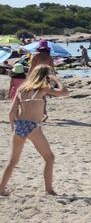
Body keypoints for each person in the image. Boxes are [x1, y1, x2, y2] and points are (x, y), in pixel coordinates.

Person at [1, 65, 70, 196]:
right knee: (50, 158)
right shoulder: (42, 88)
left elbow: (11, 113)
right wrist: (57, 80)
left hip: (19, 125)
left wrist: (12, 127)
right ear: (45, 76)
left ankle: (1, 189)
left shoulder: (22, 89)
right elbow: (65, 92)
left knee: (12, 161)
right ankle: (49, 190)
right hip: (33, 126)